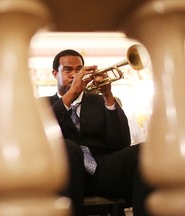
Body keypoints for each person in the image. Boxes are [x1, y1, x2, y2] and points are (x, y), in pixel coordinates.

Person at [38, 49, 152, 216]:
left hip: (101, 170)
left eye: (79, 69)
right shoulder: (42, 104)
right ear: (55, 73)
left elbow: (121, 143)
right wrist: (71, 94)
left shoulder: (100, 101)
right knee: (69, 147)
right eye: (68, 70)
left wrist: (107, 95)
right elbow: (41, 132)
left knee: (144, 150)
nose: (75, 75)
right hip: (63, 175)